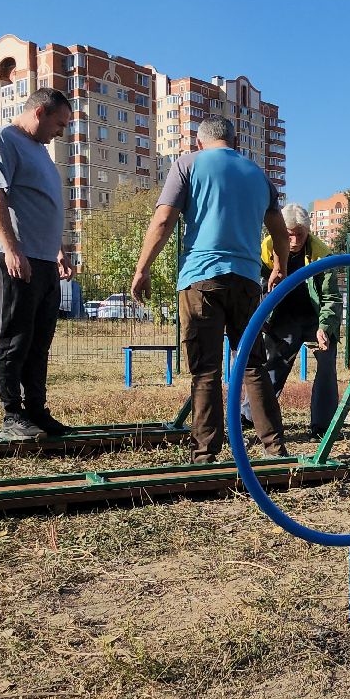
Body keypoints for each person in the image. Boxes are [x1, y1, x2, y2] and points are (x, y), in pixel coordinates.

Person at [130, 116, 290, 462]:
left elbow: (163, 219)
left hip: (201, 279)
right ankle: (275, 449)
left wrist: (143, 268)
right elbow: (280, 231)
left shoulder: (187, 164)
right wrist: (280, 267)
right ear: (235, 142)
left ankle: (205, 453)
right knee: (252, 365)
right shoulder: (258, 175)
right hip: (246, 281)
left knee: (206, 368)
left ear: (200, 142)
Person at [0, 87, 74, 441]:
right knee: (16, 337)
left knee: (39, 340)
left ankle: (36, 410)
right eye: (59, 124)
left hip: (45, 259)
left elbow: (42, 204)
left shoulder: (39, 151)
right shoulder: (2, 139)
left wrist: (60, 249)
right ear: (39, 113)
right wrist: (12, 249)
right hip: (17, 257)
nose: (61, 132)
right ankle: (12, 415)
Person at [258, 204, 340, 438]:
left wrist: (325, 327)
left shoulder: (321, 255)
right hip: (283, 317)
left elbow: (331, 297)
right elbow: (255, 288)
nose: (294, 240)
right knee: (273, 365)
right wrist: (260, 315)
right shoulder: (266, 250)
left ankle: (322, 427)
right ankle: (250, 418)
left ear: (308, 231)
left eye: (300, 234)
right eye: (288, 234)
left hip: (316, 318)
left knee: (326, 365)